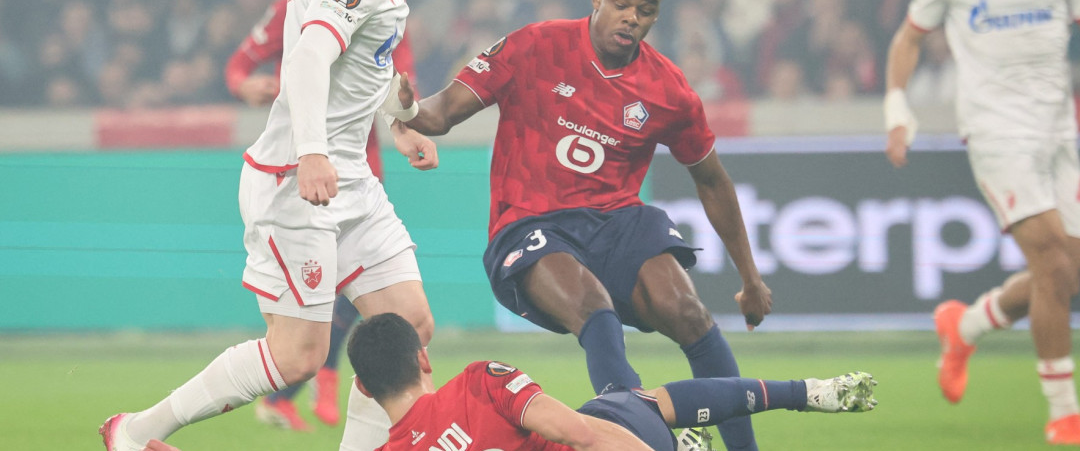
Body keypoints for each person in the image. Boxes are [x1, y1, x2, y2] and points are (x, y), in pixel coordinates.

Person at [100, 0, 456, 451]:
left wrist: (399, 121)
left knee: (409, 327)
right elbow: (311, 55)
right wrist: (312, 151)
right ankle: (136, 432)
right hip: (298, 179)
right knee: (297, 356)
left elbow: (361, 65)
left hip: (351, 178)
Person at [383, 0, 773, 451]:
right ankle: (636, 442)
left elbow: (712, 180)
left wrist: (750, 278)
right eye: (622, 3)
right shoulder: (535, 46)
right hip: (529, 222)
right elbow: (442, 113)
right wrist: (409, 109)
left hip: (616, 222)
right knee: (595, 309)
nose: (631, 17)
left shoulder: (668, 91)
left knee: (689, 313)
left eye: (646, 10)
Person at [882, 0, 1080, 446]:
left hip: (1056, 131)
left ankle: (967, 326)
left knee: (1064, 275)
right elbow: (908, 38)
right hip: (995, 131)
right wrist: (897, 109)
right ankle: (1063, 414)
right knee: (1052, 262)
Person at [138, 312, 878, 451]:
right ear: (423, 361)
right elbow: (581, 434)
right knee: (627, 402)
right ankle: (801, 393)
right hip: (620, 441)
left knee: (620, 397)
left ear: (360, 387)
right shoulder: (479, 381)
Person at [224, 0, 419, 432]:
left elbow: (396, 78)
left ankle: (319, 385)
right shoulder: (299, 2)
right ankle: (309, 382)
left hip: (360, 168)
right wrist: (246, 85)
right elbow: (242, 64)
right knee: (314, 324)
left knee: (383, 308)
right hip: (309, 166)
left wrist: (404, 122)